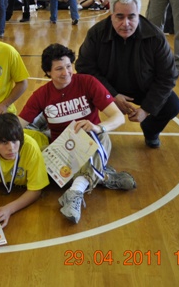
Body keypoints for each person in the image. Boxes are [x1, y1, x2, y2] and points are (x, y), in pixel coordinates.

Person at [19, 43, 135, 223]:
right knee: (43, 169)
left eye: (68, 66)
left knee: (101, 135)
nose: (66, 72)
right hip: (62, 152)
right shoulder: (41, 95)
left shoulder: (88, 82)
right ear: (48, 72)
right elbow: (19, 124)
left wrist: (98, 127)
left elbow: (118, 117)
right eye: (59, 69)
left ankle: (75, 192)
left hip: (89, 146)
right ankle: (103, 176)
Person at [75, 0, 179, 149]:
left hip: (143, 86)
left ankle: (150, 130)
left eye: (131, 17)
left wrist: (146, 110)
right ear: (111, 15)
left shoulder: (155, 37)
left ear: (138, 15)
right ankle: (83, 137)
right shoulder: (96, 34)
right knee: (77, 97)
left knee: (172, 105)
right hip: (106, 86)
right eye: (119, 17)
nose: (126, 23)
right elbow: (84, 68)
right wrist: (111, 94)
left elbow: (168, 76)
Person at [0, 113, 48, 227]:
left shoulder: (31, 147)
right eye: (4, 142)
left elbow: (36, 190)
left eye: (15, 141)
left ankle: (41, 122)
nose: (11, 148)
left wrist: (9, 209)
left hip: (41, 141)